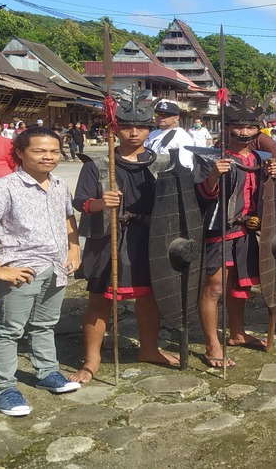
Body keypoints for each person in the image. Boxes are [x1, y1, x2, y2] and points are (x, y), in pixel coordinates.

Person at [0, 127, 82, 417]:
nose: (48, 157)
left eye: (53, 151)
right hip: (21, 270)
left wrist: (74, 247)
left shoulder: (58, 185)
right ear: (19, 152)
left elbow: (68, 217)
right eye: (39, 151)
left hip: (56, 267)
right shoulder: (3, 187)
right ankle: (4, 388)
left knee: (45, 325)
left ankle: (47, 373)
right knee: (8, 331)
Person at [69, 101, 179, 383]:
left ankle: (150, 348)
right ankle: (91, 359)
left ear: (149, 129)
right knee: (99, 300)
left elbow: (174, 204)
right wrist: (100, 202)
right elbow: (81, 202)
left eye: (141, 126)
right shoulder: (98, 163)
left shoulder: (162, 163)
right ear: (114, 128)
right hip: (108, 237)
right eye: (127, 126)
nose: (134, 132)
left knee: (149, 298)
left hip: (147, 239)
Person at [196, 105, 276, 368]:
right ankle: (213, 343)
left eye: (250, 127)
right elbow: (202, 194)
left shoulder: (261, 158)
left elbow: (271, 195)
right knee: (214, 287)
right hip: (219, 230)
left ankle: (236, 333)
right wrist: (214, 174)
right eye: (238, 126)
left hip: (247, 230)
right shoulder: (211, 156)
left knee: (239, 286)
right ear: (227, 127)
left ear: (258, 129)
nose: (243, 132)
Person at [145, 100, 195, 170]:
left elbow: (185, 165)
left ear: (176, 118)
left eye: (165, 115)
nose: (160, 117)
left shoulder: (182, 137)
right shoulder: (152, 134)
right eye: (158, 114)